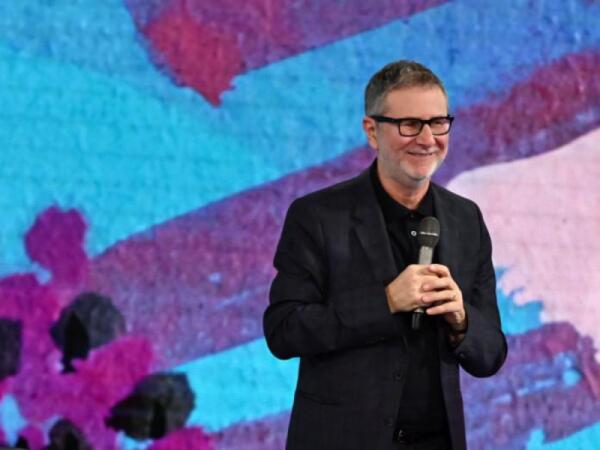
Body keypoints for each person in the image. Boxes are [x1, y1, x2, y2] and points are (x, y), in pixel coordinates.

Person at [263, 60, 507, 450]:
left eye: (438, 123)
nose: (427, 139)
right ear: (372, 131)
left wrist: (462, 320)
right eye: (409, 124)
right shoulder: (319, 216)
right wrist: (387, 301)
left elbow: (490, 354)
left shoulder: (465, 219)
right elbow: (284, 331)